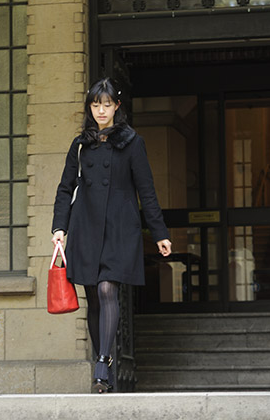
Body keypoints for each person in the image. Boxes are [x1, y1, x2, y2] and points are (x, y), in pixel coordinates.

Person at [51, 77, 172, 393]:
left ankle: (103, 363)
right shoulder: (80, 145)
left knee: (107, 289)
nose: (101, 110)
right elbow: (65, 188)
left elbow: (146, 190)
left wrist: (159, 233)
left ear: (117, 106)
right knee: (93, 296)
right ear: (89, 108)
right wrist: (59, 228)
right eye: (95, 104)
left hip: (119, 227)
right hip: (85, 225)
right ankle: (103, 365)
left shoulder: (132, 143)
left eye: (106, 104)